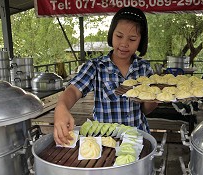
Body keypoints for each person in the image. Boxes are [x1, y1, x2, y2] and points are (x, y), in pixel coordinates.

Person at [53, 7, 158, 145]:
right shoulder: (96, 66)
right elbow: (73, 90)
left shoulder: (144, 68)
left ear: (140, 41)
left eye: (132, 39)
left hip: (137, 139)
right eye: (119, 36)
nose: (124, 44)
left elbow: (146, 110)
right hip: (105, 142)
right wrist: (61, 108)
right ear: (111, 34)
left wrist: (153, 99)